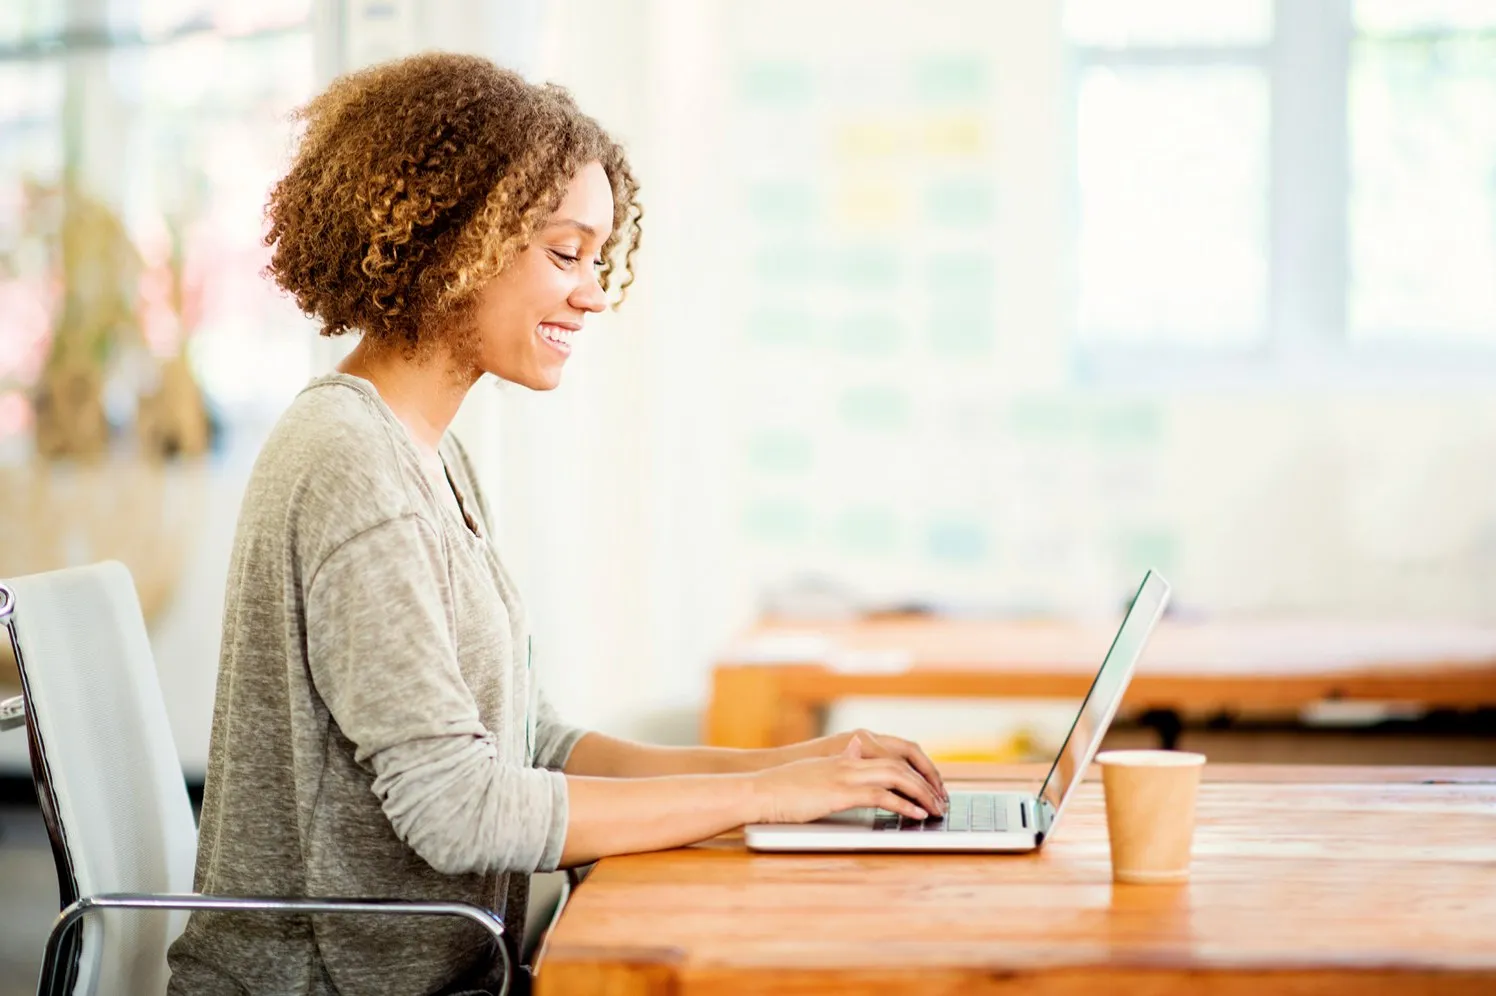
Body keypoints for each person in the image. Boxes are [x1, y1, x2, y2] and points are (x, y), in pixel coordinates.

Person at [165, 52, 948, 996]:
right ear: (453, 237)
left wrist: (792, 768)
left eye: (598, 258)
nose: (594, 292)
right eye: (565, 253)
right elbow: (456, 810)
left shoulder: (426, 454)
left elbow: (529, 745)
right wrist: (765, 798)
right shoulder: (350, 466)